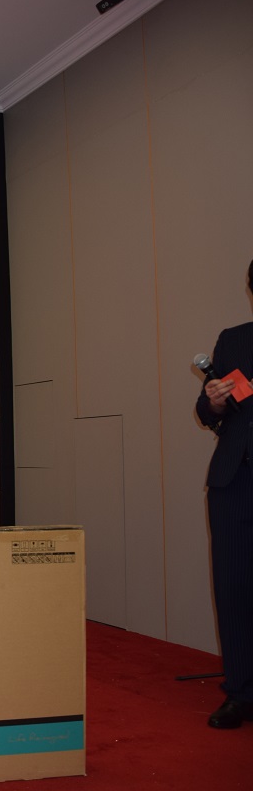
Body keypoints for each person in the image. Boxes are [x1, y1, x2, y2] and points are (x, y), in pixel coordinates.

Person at [194, 258, 253, 729]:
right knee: (233, 589)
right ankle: (241, 691)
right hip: (234, 481)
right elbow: (206, 408)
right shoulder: (233, 339)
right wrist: (212, 402)